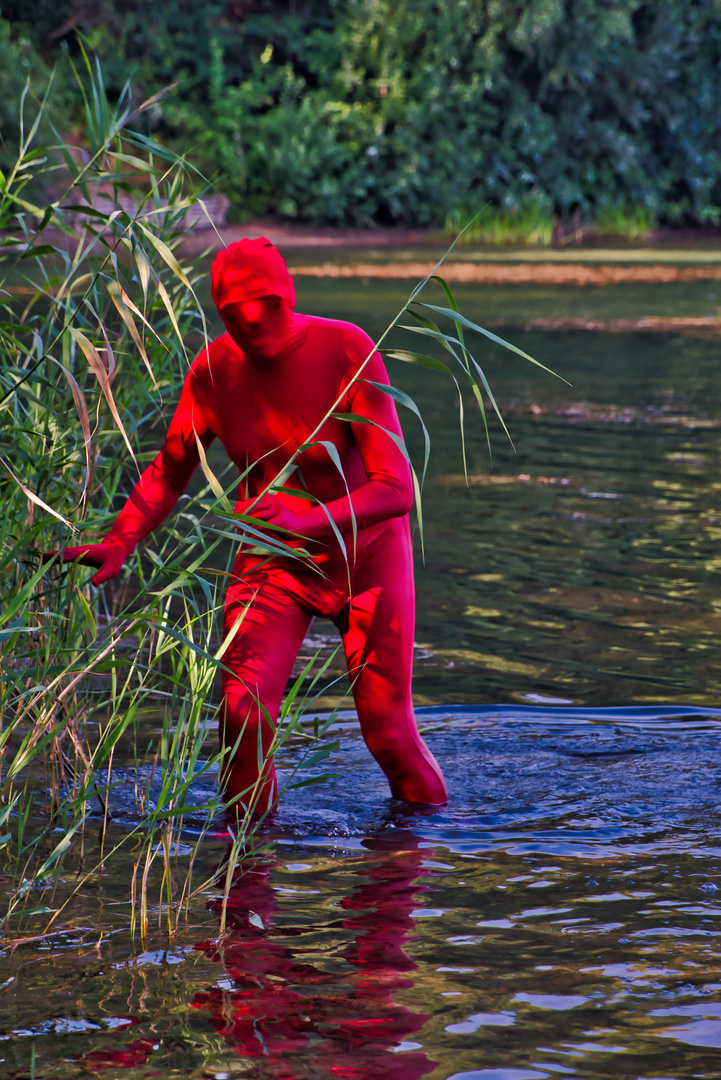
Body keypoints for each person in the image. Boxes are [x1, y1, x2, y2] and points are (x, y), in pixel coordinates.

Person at [59, 238, 447, 810]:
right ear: (222, 314)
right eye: (236, 314)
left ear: (288, 296)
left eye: (268, 305)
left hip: (367, 558)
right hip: (273, 561)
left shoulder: (347, 349)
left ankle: (415, 860)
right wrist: (122, 540)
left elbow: (395, 490)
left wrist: (309, 517)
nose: (255, 322)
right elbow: (170, 470)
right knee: (241, 722)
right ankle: (243, 874)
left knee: (387, 734)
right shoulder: (213, 373)